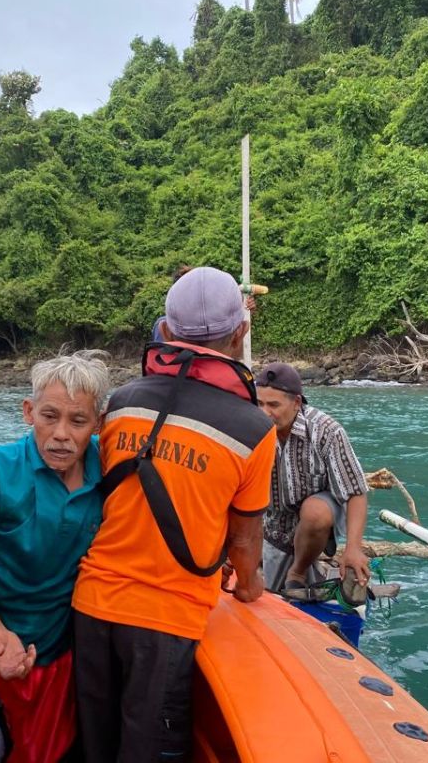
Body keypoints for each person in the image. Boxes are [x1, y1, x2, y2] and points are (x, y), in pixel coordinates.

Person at [73, 266, 277, 762]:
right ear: (241, 331)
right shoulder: (254, 428)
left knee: (93, 748)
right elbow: (245, 543)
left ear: (165, 331)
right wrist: (249, 588)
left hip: (91, 604)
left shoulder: (121, 403)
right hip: (166, 620)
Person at [0, 351, 111, 763]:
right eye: (49, 416)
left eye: (78, 421)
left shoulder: (112, 473)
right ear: (28, 412)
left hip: (60, 651)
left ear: (99, 424)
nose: (61, 434)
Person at [254, 362, 371, 599]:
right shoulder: (250, 428)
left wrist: (353, 548)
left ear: (297, 402)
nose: (265, 412)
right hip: (271, 524)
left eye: (274, 405)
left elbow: (355, 491)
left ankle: (297, 573)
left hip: (315, 525)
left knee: (316, 512)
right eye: (260, 404)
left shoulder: (326, 431)